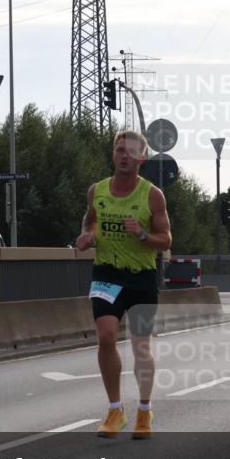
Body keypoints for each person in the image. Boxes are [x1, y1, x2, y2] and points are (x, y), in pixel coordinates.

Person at [76, 131, 172, 440]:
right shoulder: (97, 191)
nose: (124, 155)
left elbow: (166, 239)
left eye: (130, 151)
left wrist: (143, 235)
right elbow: (90, 220)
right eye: (119, 150)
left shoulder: (152, 195)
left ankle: (144, 410)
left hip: (141, 277)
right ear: (114, 155)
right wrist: (87, 236)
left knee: (140, 346)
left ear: (141, 158)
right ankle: (115, 409)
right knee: (106, 337)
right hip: (106, 273)